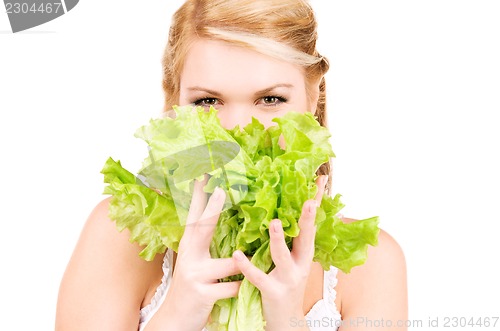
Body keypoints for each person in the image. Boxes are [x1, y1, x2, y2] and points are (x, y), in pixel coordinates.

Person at [55, 0, 408, 330]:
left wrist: (287, 321)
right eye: (207, 101)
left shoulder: (371, 263)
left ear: (312, 97)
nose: (238, 130)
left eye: (271, 99)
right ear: (173, 101)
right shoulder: (120, 233)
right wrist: (177, 314)